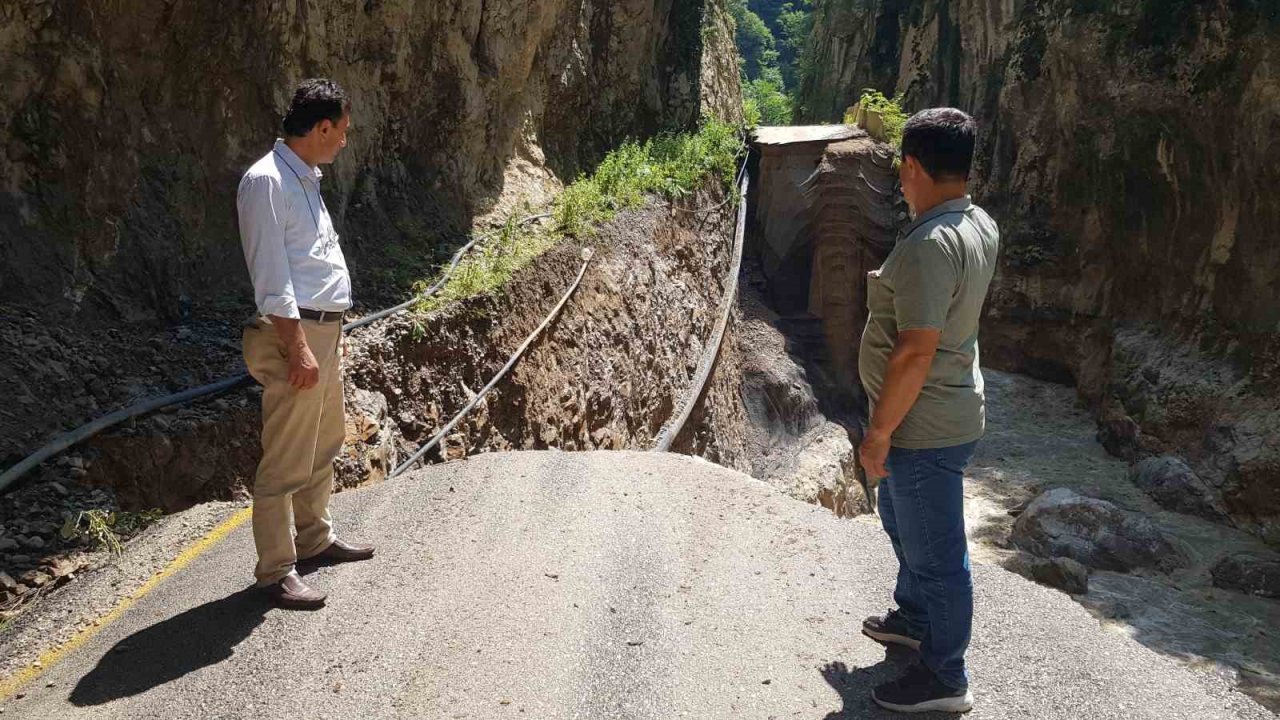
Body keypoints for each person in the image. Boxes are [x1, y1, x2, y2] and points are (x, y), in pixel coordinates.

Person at [856, 107, 999, 713]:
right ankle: (914, 620)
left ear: (912, 166)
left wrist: (879, 432)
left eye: (901, 166)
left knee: (938, 557)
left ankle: (945, 678)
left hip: (922, 424)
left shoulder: (929, 246)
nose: (900, 176)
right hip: (948, 408)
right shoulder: (977, 223)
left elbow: (915, 351)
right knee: (903, 522)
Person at [237, 78, 375, 610]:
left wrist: (331, 335)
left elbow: (312, 262)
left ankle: (314, 537)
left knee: (323, 442)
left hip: (323, 330)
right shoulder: (266, 182)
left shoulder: (304, 178)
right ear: (321, 128)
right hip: (294, 333)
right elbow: (272, 276)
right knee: (286, 456)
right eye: (342, 130)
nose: (344, 140)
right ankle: (275, 570)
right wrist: (298, 347)